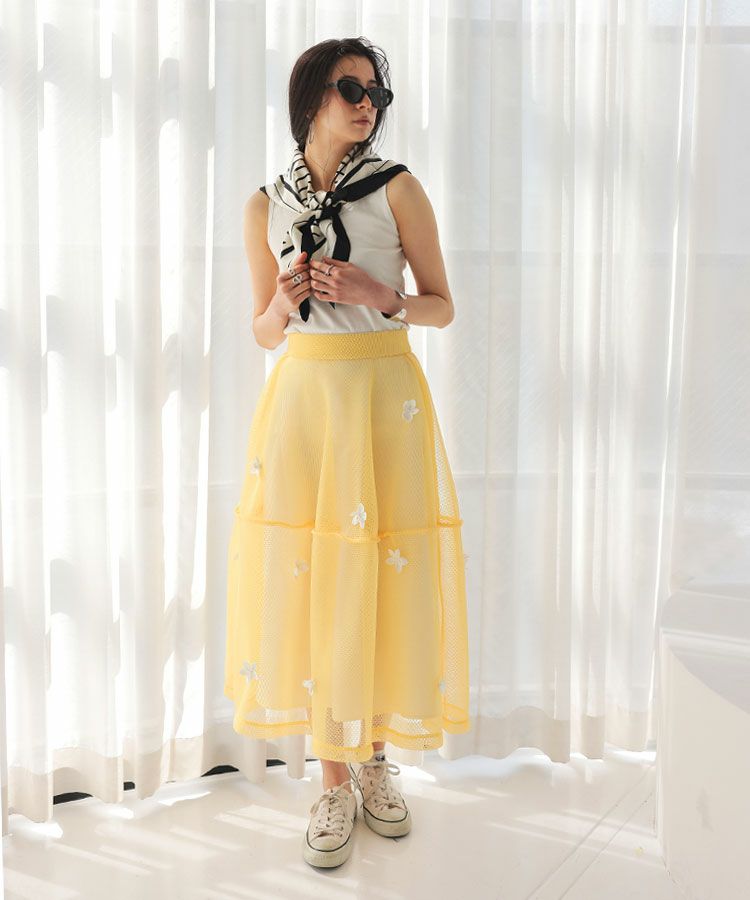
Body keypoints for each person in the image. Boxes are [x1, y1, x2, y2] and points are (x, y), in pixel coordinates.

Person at [224, 36, 470, 870]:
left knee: (382, 573)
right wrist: (281, 304)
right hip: (305, 403)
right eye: (351, 89)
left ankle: (374, 763)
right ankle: (331, 779)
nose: (368, 104)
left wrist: (380, 295)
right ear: (310, 100)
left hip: (382, 399)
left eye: (376, 93)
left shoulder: (397, 188)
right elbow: (263, 333)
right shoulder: (264, 206)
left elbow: (441, 307)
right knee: (313, 579)